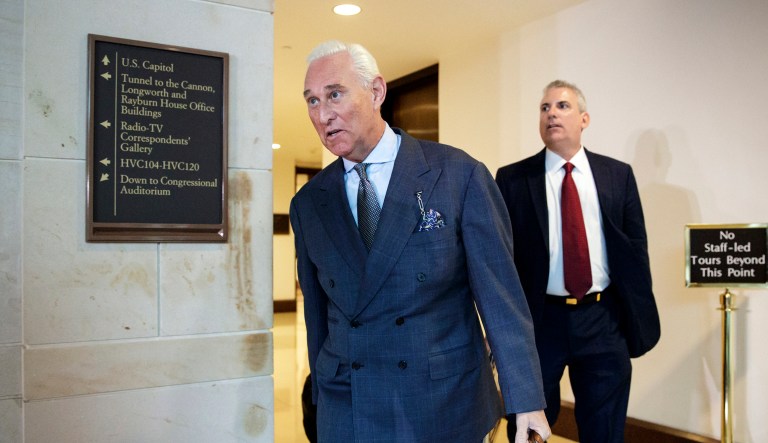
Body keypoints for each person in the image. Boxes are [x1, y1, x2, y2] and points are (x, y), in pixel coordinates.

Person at [289, 40, 551, 443]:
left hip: (441, 404)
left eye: (335, 94)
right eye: (312, 101)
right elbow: (316, 319)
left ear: (376, 92)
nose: (323, 114)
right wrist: (322, 397)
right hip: (349, 405)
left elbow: (501, 301)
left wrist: (526, 399)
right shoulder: (309, 203)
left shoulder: (458, 175)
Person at [495, 80, 661, 442]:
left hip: (602, 319)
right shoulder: (513, 179)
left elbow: (636, 249)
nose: (551, 113)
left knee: (605, 430)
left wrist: (632, 314)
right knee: (527, 428)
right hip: (540, 321)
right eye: (545, 107)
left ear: (584, 119)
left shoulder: (617, 175)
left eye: (562, 106)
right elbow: (501, 260)